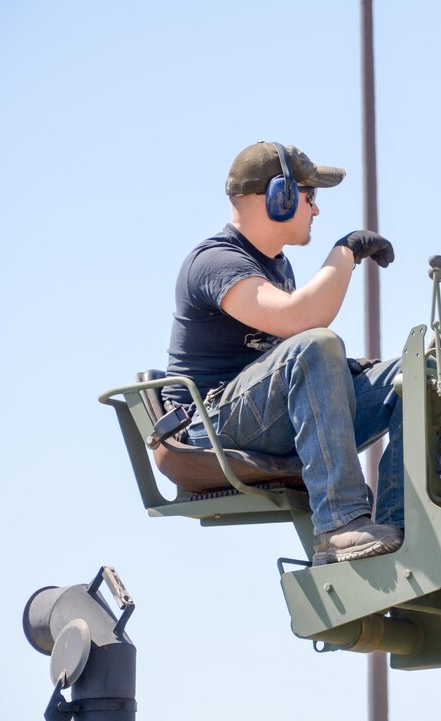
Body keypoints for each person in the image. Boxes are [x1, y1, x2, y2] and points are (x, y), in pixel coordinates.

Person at [162, 141, 404, 565]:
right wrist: (344, 252)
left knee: (414, 373)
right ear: (280, 197)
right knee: (315, 345)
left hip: (260, 415)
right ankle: (340, 525)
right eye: (310, 197)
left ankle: (400, 518)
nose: (315, 210)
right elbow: (300, 322)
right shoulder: (216, 261)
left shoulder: (278, 267)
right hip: (208, 425)